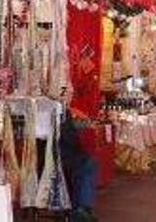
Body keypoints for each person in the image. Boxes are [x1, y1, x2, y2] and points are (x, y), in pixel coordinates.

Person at [59, 86, 99, 222]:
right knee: (88, 163)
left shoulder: (64, 111)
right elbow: (68, 139)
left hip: (65, 153)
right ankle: (81, 209)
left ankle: (81, 209)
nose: (70, 97)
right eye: (68, 94)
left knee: (88, 163)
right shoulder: (61, 111)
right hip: (62, 155)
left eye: (71, 94)